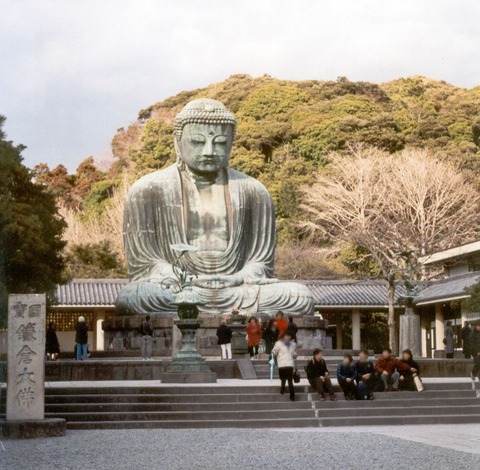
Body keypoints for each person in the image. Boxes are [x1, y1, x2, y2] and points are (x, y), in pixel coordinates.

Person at [115, 98, 314, 317]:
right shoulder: (147, 190)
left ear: (231, 143)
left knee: (299, 296)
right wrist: (181, 278)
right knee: (134, 296)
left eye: (219, 143)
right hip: (177, 288)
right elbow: (146, 264)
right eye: (198, 142)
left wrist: (238, 277)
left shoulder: (254, 192)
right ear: (177, 142)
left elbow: (261, 263)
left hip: (237, 289)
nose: (209, 151)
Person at [272, 332, 297, 401]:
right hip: (282, 364)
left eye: (288, 336)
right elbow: (274, 351)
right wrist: (272, 355)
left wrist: (295, 354)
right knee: (283, 379)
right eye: (286, 336)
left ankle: (292, 395)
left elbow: (294, 353)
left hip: (289, 364)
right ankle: (283, 389)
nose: (287, 337)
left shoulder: (293, 344)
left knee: (289, 380)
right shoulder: (279, 343)